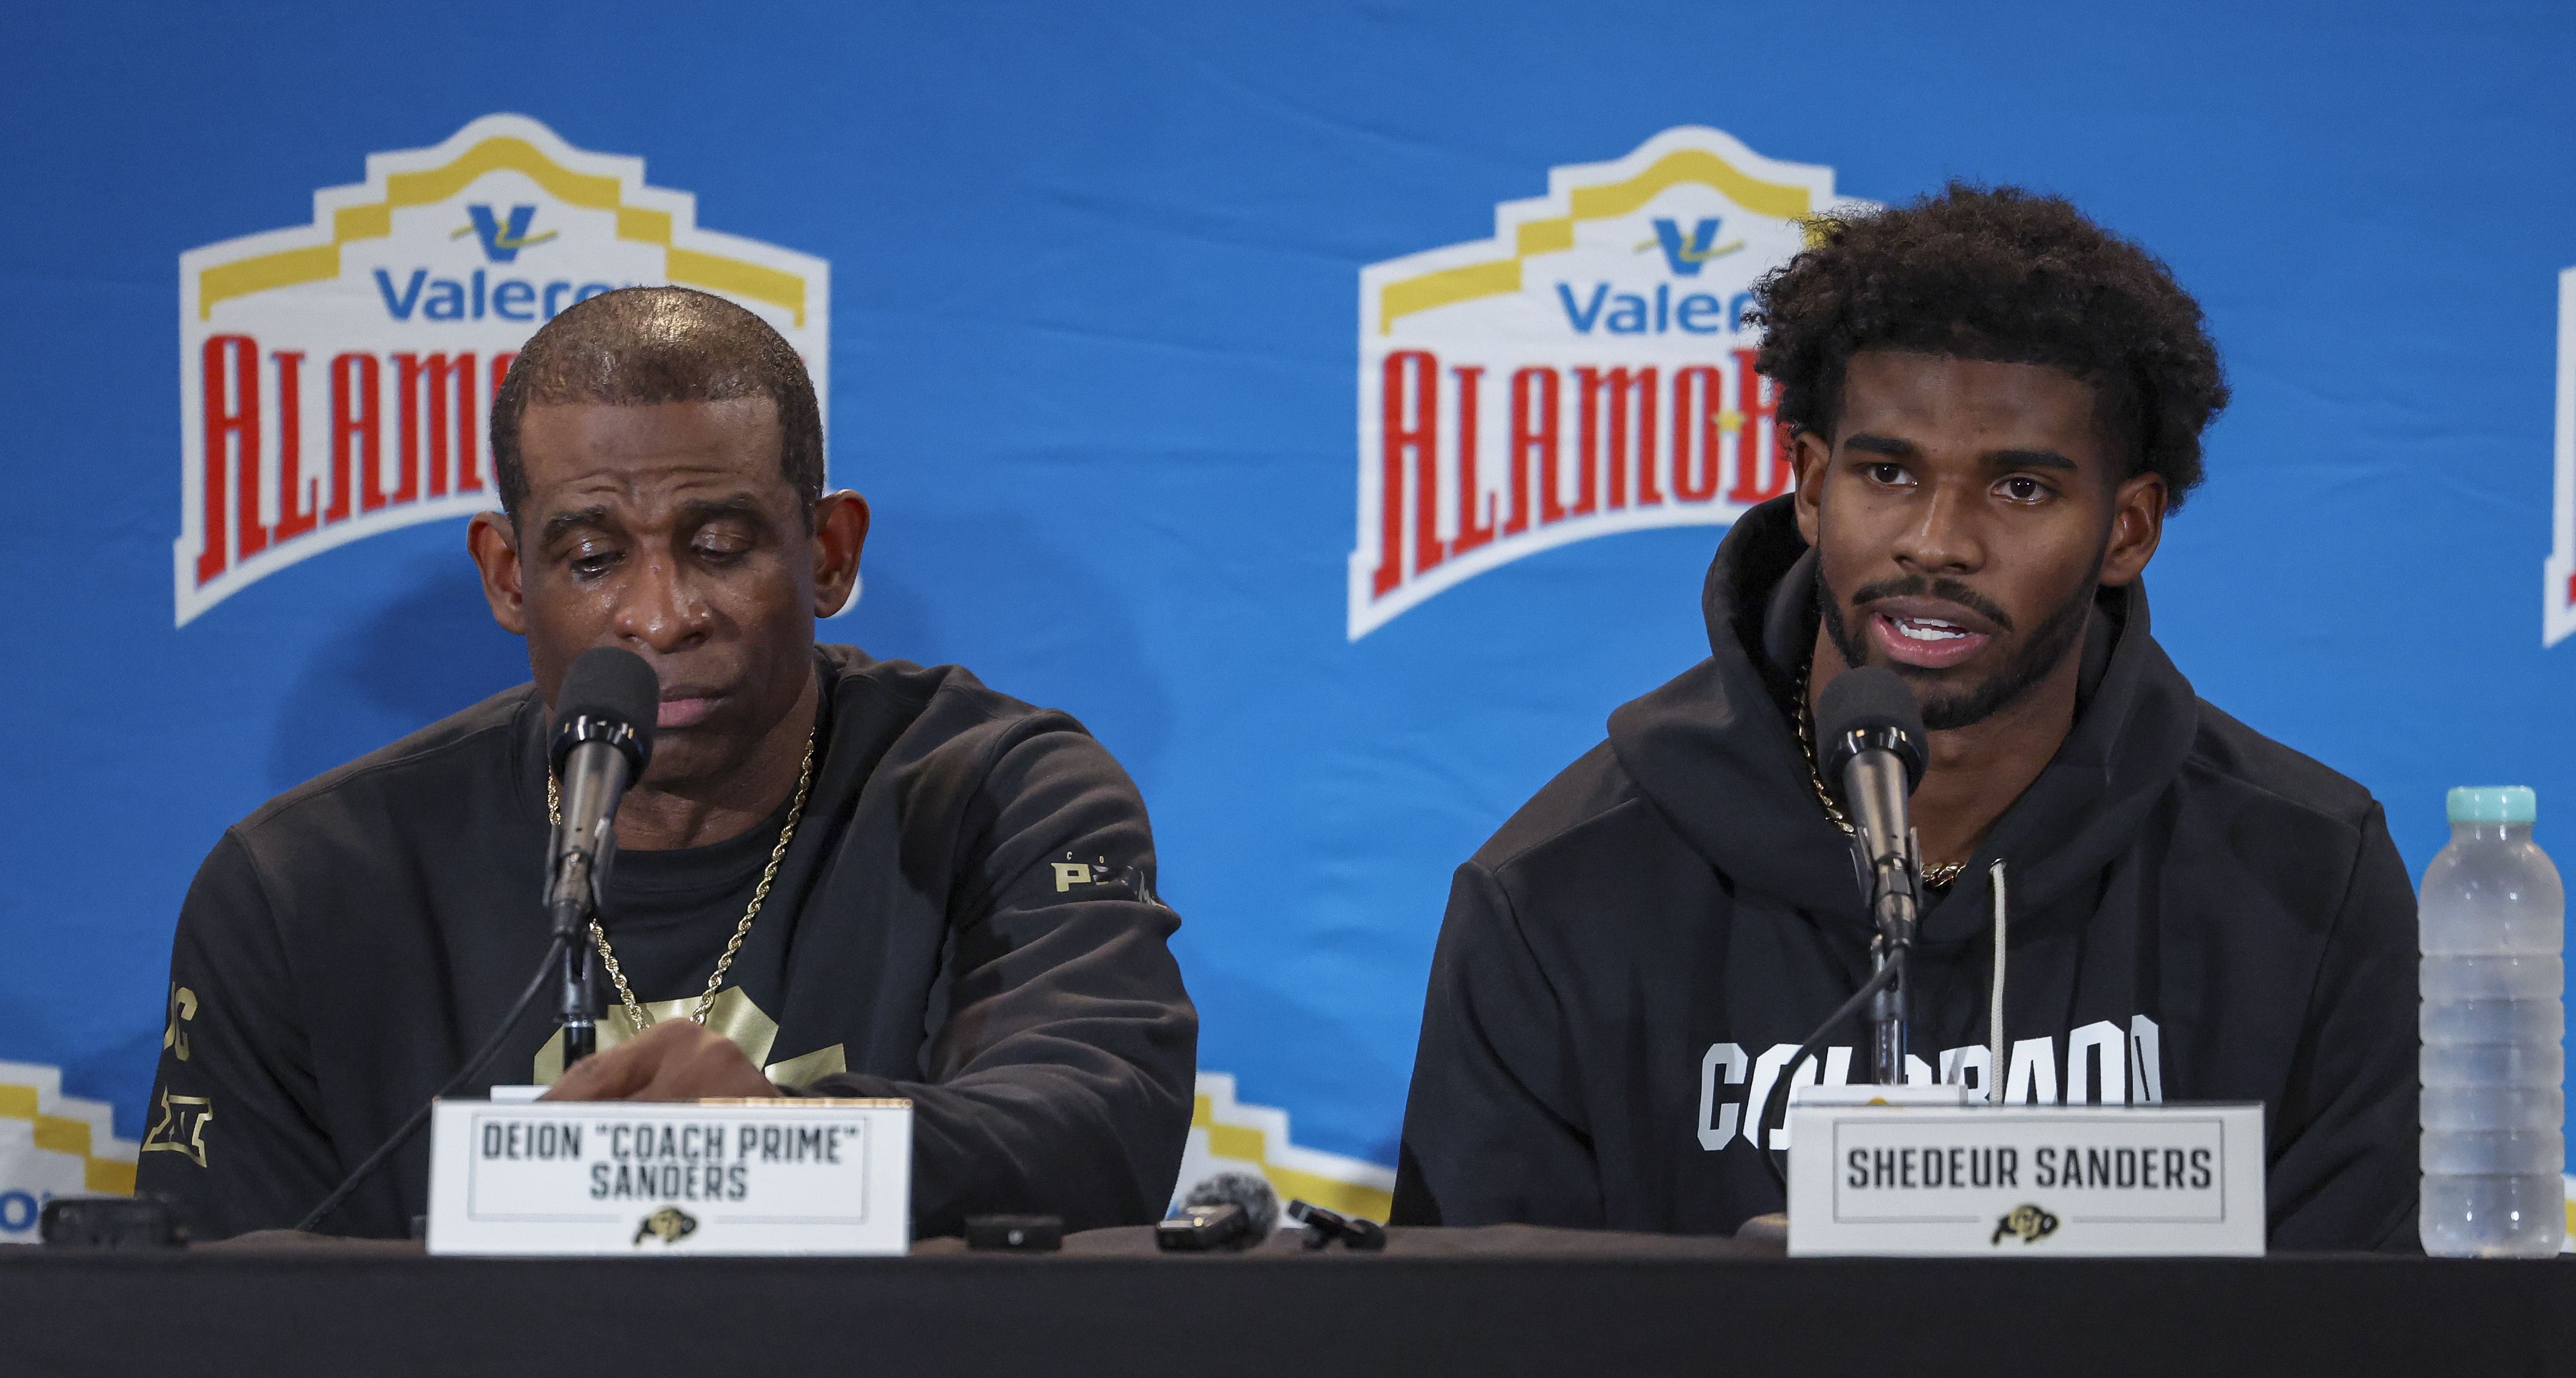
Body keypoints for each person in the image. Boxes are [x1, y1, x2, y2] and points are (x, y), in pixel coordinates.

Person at [1393, 184, 2416, 1250]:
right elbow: (1481, 1366)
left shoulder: (2301, 874)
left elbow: (2363, 1358)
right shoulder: (1560, 892)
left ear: (2126, 529)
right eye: (1886, 473)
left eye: (2018, 488)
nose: (1935, 542)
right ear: (1806, 482)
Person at [138, 287, 1196, 1240]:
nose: (661, 615)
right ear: (509, 578)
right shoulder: (305, 882)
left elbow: (1099, 1125)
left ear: (828, 554)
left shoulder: (998, 793)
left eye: (722, 545)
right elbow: (217, 1311)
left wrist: (772, 1146)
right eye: (593, 559)